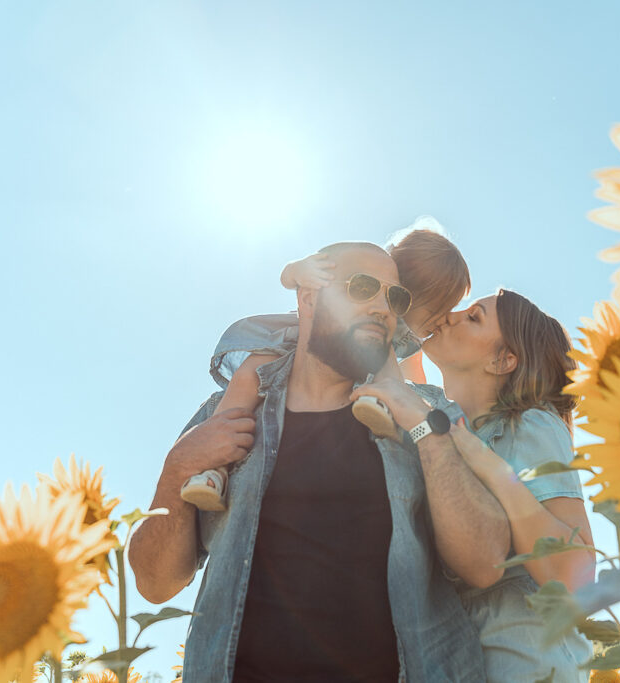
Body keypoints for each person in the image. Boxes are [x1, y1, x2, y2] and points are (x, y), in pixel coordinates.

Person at [127, 241, 509, 682]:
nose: (383, 308)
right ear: (308, 297)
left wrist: (425, 431)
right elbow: (155, 584)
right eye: (362, 287)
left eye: (395, 297)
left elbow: (486, 565)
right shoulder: (226, 417)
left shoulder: (428, 413)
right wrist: (178, 468)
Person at [353, 289, 595, 683]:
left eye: (474, 317)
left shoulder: (530, 425)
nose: (451, 316)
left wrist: (490, 466)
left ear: (502, 360)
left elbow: (575, 569)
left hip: (527, 659)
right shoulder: (451, 421)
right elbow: (408, 384)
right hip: (454, 655)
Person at [180, 219, 472, 510]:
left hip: (365, 360)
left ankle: (379, 404)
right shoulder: (362, 279)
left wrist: (412, 402)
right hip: (296, 340)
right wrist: (300, 269)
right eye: (436, 310)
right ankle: (214, 468)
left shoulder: (400, 336)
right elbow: (290, 276)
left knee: (389, 372)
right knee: (249, 376)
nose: (437, 321)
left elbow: (409, 376)